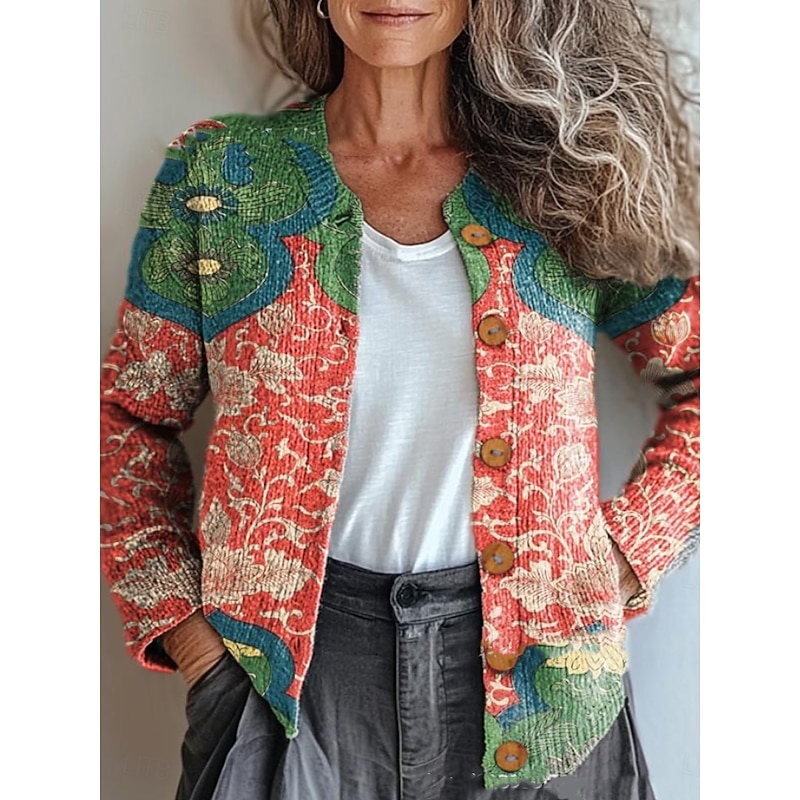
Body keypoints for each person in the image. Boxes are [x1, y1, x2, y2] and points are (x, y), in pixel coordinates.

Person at [100, 0, 699, 797]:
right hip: (281, 689)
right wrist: (192, 641)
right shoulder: (221, 178)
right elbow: (127, 421)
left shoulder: (565, 176)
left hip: (544, 683)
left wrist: (619, 562)